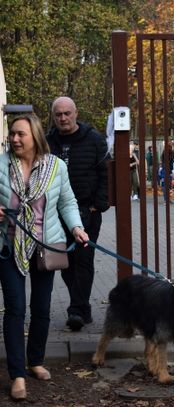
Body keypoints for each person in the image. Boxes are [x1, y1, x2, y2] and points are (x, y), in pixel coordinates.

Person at [0, 113, 89, 400]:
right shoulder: (1, 164)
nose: (14, 138)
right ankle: (17, 375)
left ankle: (35, 360)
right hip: (8, 246)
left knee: (42, 307)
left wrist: (76, 227)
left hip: (45, 246)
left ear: (35, 137)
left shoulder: (56, 167)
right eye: (12, 133)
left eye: (20, 134)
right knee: (15, 309)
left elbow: (67, 201)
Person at [47, 96, 109, 331]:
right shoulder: (47, 141)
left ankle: (76, 310)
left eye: (67, 113)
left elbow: (105, 174)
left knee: (84, 261)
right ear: (54, 117)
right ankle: (82, 308)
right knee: (65, 262)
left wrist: (98, 205)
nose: (63, 118)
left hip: (87, 211)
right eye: (58, 114)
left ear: (75, 113)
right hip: (56, 212)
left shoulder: (94, 140)